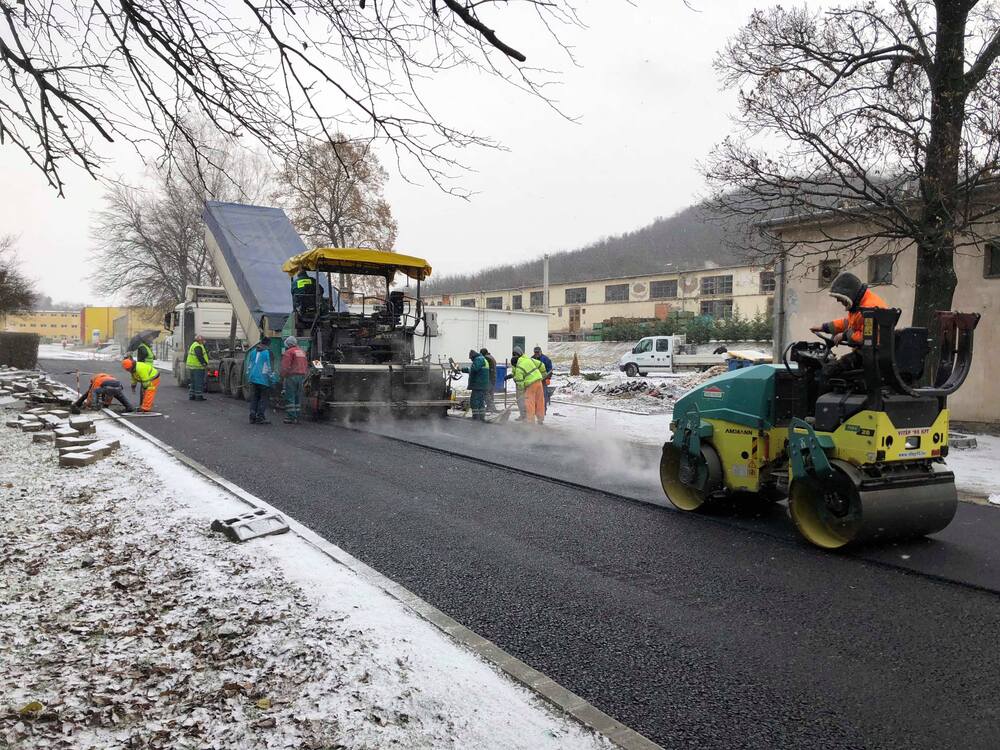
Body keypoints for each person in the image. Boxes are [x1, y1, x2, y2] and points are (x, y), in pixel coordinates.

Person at [809, 271, 888, 383]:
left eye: (839, 297)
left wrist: (845, 335)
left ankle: (817, 399)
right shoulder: (860, 305)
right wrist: (824, 327)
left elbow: (866, 338)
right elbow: (849, 323)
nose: (838, 300)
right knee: (832, 367)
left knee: (827, 372)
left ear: (849, 294)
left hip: (870, 356)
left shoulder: (869, 308)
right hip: (868, 354)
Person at [512, 346, 548, 424]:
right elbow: (542, 365)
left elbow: (520, 384)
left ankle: (530, 421)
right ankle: (540, 419)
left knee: (529, 403)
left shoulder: (518, 369)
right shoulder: (529, 360)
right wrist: (544, 374)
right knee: (540, 401)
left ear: (515, 364)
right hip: (539, 382)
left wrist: (522, 392)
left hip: (531, 385)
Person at [247, 338, 275, 424]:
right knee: (263, 398)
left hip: (253, 378)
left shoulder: (253, 352)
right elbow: (269, 367)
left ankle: (252, 415)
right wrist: (273, 380)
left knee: (255, 397)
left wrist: (249, 377)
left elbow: (249, 366)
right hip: (263, 379)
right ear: (268, 344)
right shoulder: (268, 352)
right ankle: (260, 416)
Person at [280, 336, 308, 424]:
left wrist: (282, 375)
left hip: (292, 377)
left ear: (288, 344)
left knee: (290, 397)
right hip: (301, 377)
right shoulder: (302, 352)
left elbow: (285, 366)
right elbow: (305, 364)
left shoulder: (288, 352)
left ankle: (291, 417)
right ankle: (297, 416)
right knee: (297, 397)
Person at [463, 349, 490, 421]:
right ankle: (481, 417)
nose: (471, 360)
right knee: (481, 401)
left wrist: (464, 369)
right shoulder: (482, 359)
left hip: (478, 385)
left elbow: (474, 369)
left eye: (471, 358)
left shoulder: (478, 359)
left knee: (474, 401)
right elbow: (475, 369)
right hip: (482, 385)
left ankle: (476, 417)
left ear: (473, 356)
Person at [505, 348, 527, 420]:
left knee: (524, 400)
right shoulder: (515, 361)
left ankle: (526, 416)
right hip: (518, 382)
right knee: (519, 400)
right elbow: (515, 372)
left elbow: (522, 372)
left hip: (523, 383)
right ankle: (522, 415)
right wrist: (510, 376)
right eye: (514, 355)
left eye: (516, 354)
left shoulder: (524, 360)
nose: (515, 356)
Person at [186, 334, 209, 401]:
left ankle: (192, 395)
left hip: (193, 367)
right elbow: (200, 356)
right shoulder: (198, 346)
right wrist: (204, 363)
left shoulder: (194, 345)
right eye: (202, 340)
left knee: (193, 382)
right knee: (199, 382)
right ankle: (198, 396)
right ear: (199, 340)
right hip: (198, 367)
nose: (204, 341)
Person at [479, 347, 498, 412]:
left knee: (486, 393)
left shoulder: (487, 358)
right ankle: (490, 408)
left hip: (489, 378)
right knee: (490, 393)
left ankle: (491, 407)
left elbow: (486, 369)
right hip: (493, 378)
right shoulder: (491, 357)